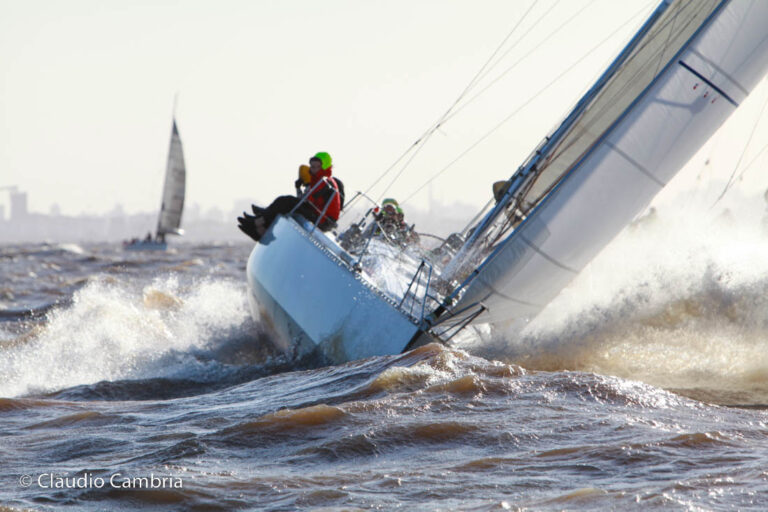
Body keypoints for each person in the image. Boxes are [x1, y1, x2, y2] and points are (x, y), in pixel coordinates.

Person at [238, 152, 342, 242]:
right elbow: (306, 200)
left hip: (322, 220)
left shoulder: (325, 181)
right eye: (312, 166)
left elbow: (310, 199)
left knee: (286, 202)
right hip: (317, 214)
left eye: (316, 167)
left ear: (324, 167)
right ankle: (261, 225)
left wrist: (306, 186)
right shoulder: (318, 180)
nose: (312, 169)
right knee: (284, 202)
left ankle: (259, 221)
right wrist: (299, 188)